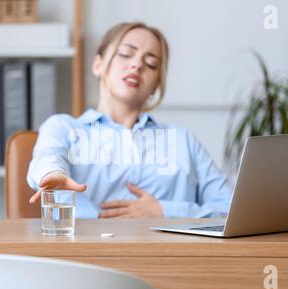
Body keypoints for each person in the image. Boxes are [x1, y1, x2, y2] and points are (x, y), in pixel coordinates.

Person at [27, 22, 232, 218]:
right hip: (84, 252)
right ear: (98, 65)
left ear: (156, 85)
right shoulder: (63, 127)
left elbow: (229, 208)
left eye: (151, 64)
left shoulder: (182, 140)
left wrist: (165, 211)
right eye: (125, 54)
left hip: (168, 253)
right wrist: (53, 173)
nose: (137, 65)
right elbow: (49, 156)